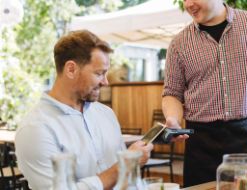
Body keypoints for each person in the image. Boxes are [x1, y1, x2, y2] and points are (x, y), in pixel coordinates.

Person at [162, 0, 247, 186]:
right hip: (200, 142)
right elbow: (172, 92)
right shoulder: (179, 43)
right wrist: (173, 119)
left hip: (245, 137)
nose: (188, 4)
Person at [15, 30, 154, 190]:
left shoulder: (106, 114)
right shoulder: (35, 128)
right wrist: (124, 164)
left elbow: (125, 182)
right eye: (99, 73)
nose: (106, 82)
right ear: (71, 69)